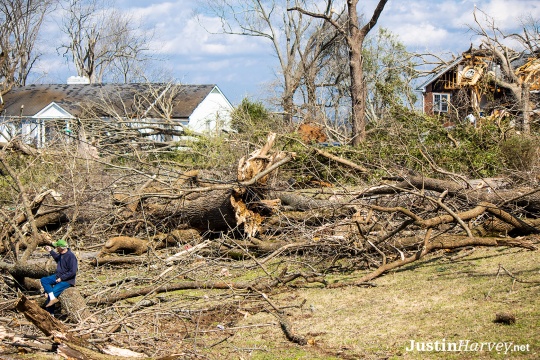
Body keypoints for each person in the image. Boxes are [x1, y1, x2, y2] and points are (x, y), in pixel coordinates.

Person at [40, 239, 78, 312]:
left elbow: (73, 272)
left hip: (67, 280)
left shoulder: (71, 256)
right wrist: (50, 251)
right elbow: (57, 258)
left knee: (52, 294)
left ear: (61, 248)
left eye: (57, 247)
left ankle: (51, 315)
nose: (56, 248)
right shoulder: (62, 255)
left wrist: (61, 278)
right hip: (57, 276)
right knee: (44, 280)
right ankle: (52, 298)